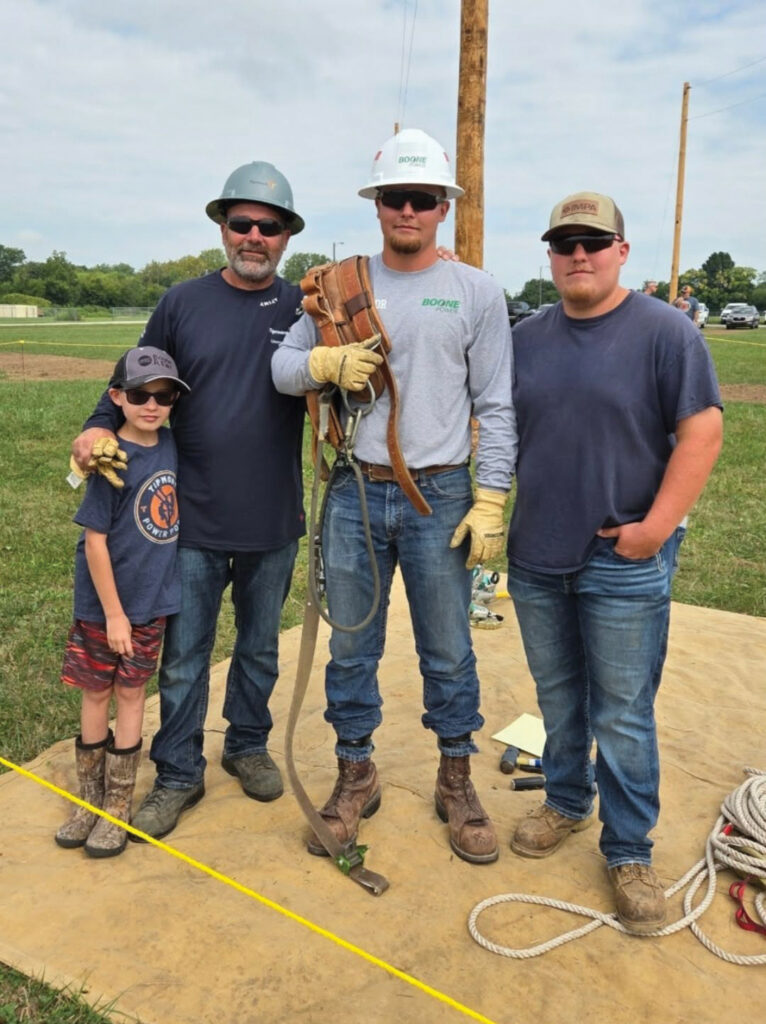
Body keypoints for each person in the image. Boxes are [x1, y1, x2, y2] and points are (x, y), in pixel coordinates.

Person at [272, 128, 516, 864]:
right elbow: (281, 370)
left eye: (422, 198)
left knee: (448, 650)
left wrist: (492, 498)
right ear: (378, 206)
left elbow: (498, 406)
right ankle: (356, 773)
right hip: (352, 490)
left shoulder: (477, 291)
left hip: (439, 494)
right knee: (351, 649)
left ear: (443, 207)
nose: (407, 210)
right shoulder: (339, 284)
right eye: (394, 198)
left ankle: (456, 779)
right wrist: (319, 359)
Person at [505, 191, 722, 932]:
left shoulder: (666, 333)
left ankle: (629, 848)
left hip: (622, 558)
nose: (579, 255)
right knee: (559, 695)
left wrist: (655, 530)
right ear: (551, 255)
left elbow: (702, 434)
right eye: (565, 243)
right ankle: (566, 801)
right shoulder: (526, 336)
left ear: (622, 252)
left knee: (624, 712)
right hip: (536, 555)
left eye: (593, 242)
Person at [71, 162, 307, 840]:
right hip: (190, 521)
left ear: (287, 236)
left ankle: (246, 744)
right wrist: (94, 426)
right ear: (222, 228)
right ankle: (177, 771)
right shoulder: (182, 303)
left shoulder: (302, 306)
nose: (255, 236)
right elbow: (132, 376)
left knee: (260, 649)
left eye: (269, 226)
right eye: (242, 223)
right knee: (183, 655)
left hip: (272, 516)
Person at [56, 347, 190, 857]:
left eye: (164, 395)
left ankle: (116, 806)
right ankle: (88, 802)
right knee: (95, 695)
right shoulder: (110, 462)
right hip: (102, 609)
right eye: (139, 395)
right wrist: (113, 614)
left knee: (132, 697)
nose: (151, 405)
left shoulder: (174, 448)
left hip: (150, 605)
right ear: (117, 398)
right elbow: (94, 542)